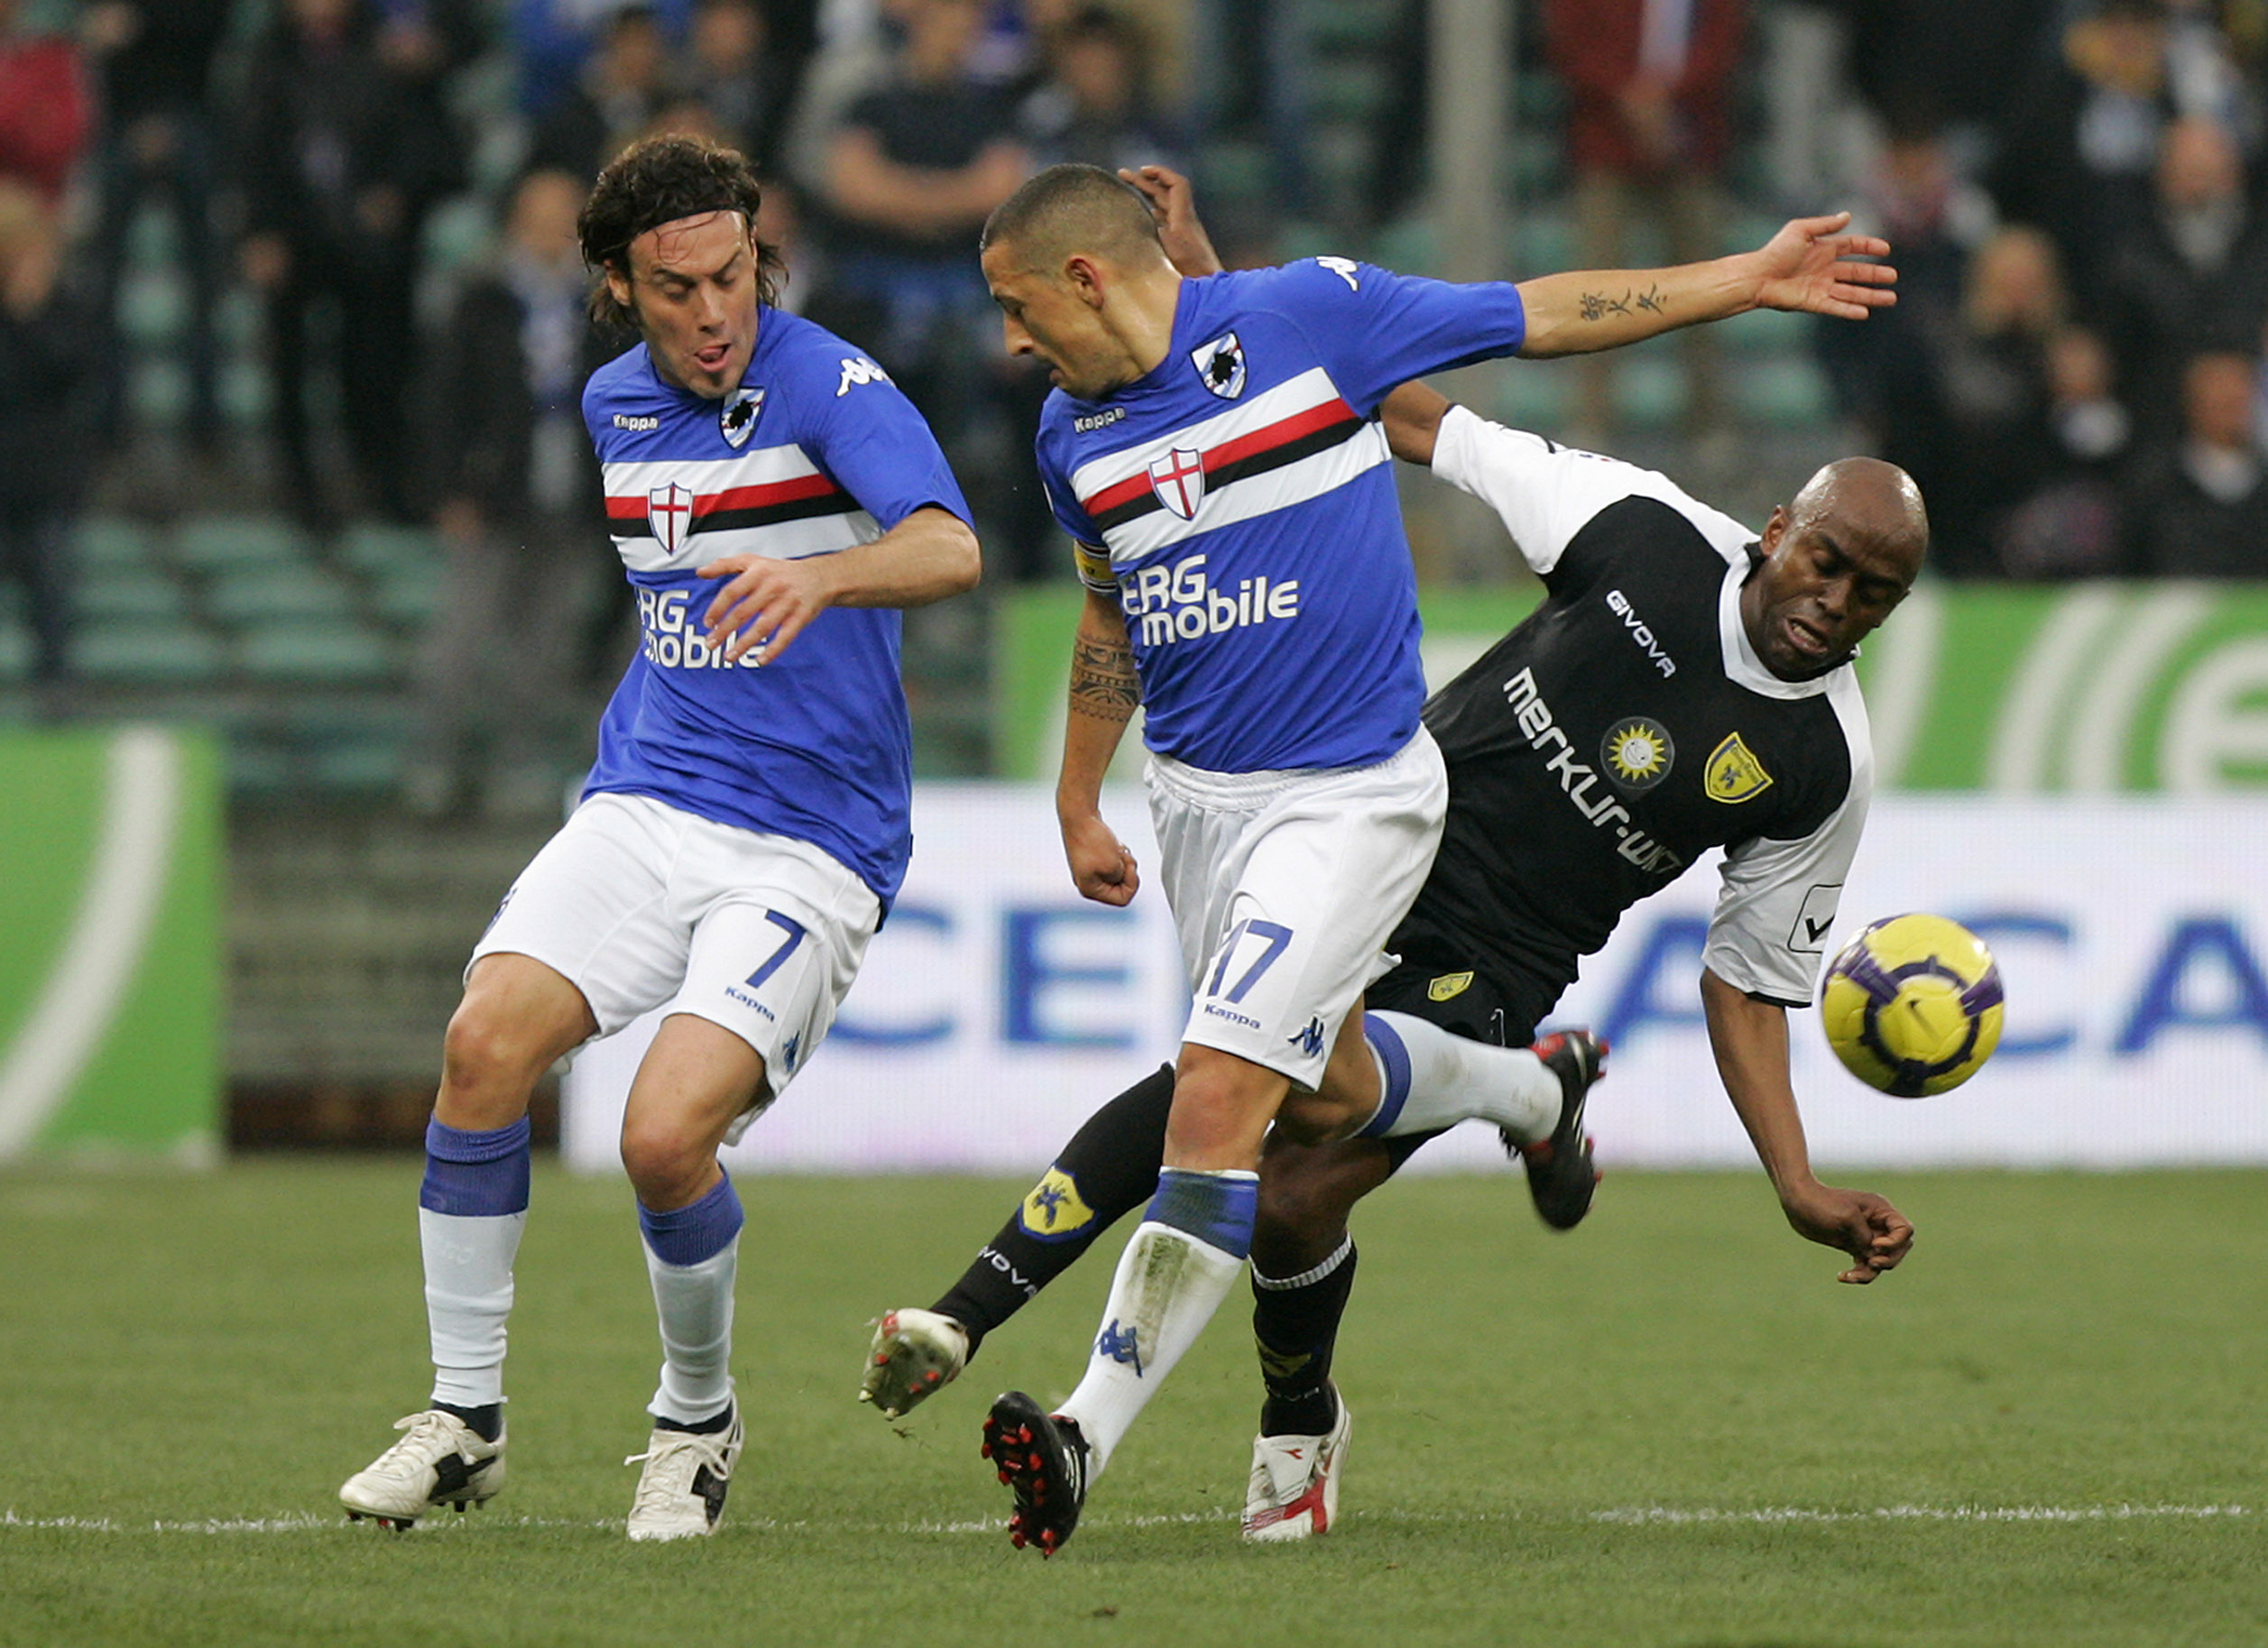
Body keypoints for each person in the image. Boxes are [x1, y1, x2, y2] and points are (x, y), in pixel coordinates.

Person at [958, 161, 1898, 1555]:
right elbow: (1411, 405)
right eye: (1824, 560)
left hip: (1500, 958)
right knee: (1213, 1097)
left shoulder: (1825, 762)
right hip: (1370, 832)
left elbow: (1749, 981)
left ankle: (1293, 1424)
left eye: (1872, 591)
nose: (1834, 600)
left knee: (1281, 1181)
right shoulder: (1634, 534)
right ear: (1777, 529)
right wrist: (1217, 309)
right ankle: (1535, 1101)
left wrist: (1797, 1181)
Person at [337, 133, 981, 1542]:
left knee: (660, 1137)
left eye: (731, 275)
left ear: (761, 256)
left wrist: (822, 576)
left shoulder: (828, 379)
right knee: (480, 1046)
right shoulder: (613, 400)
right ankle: (464, 1422)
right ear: (619, 288)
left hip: (812, 841)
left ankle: (695, 1420)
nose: (711, 313)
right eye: (676, 286)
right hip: (648, 796)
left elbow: (949, 545)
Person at [403, 168, 614, 820]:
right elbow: (442, 399)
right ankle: (432, 758)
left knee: (544, 642)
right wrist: (450, 487)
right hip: (494, 493)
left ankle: (517, 761)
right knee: (461, 636)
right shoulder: (483, 299)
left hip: (570, 493)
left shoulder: (602, 307)